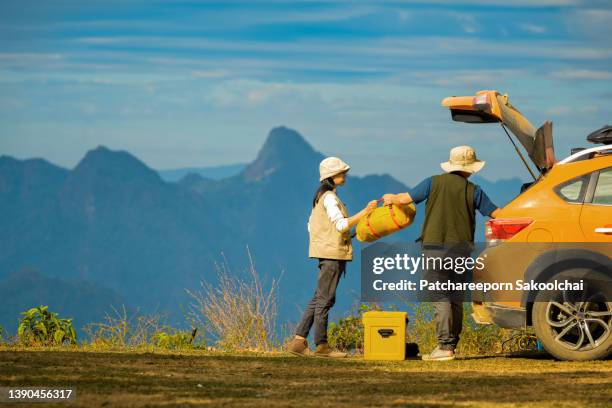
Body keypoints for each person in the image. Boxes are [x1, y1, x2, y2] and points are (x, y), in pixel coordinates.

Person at [382, 146, 500, 361]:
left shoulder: (432, 182)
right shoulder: (474, 190)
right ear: (471, 168)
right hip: (462, 251)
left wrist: (391, 197)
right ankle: (451, 345)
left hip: (435, 250)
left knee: (439, 295)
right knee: (455, 298)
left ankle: (444, 347)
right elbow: (496, 213)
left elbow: (404, 199)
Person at [286, 157, 377, 357]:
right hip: (332, 256)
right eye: (341, 172)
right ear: (331, 176)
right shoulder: (330, 198)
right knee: (326, 299)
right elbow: (341, 225)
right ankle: (322, 346)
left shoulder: (320, 197)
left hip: (325, 253)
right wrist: (366, 212)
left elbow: (311, 226)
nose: (344, 175)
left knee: (319, 297)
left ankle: (298, 342)